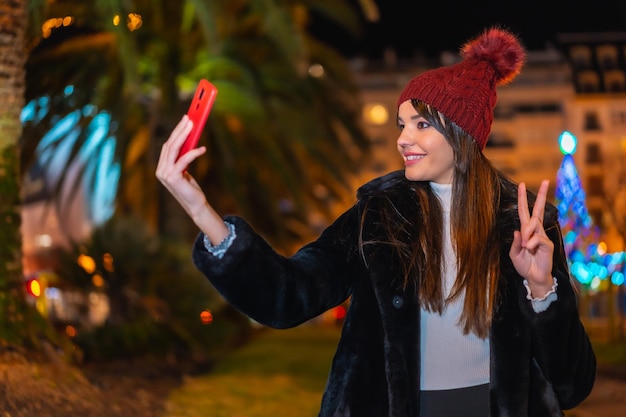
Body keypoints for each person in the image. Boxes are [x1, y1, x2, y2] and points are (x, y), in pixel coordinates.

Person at [156, 27, 596, 417]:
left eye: (421, 124)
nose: (403, 139)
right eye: (403, 124)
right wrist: (200, 210)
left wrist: (543, 292)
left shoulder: (524, 224)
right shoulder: (377, 218)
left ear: (462, 134)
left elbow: (571, 385)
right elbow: (287, 295)